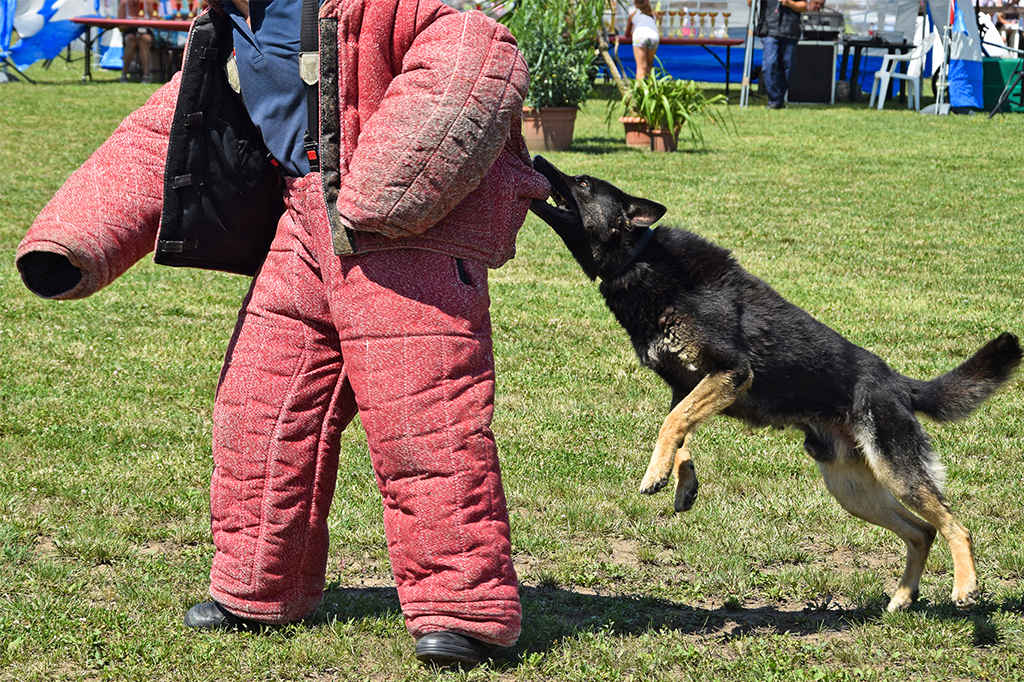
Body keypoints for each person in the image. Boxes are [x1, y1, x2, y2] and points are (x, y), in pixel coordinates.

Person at [16, 0, 549, 668]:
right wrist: (71, 240)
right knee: (261, 407)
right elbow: (172, 127)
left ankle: (463, 610)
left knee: (426, 425)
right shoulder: (226, 23)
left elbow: (475, 46)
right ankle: (257, 586)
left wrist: (385, 191)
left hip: (404, 241)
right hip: (306, 225)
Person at [750, 0, 809, 108]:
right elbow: (750, 3)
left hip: (790, 30)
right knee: (769, 64)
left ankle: (779, 99)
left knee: (788, 67)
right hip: (769, 30)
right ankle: (774, 99)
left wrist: (790, 4)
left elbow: (804, 6)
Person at [117, 0, 156, 83]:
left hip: (146, 31)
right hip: (129, 31)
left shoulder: (148, 2)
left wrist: (144, 21)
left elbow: (155, 21)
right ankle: (124, 75)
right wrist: (132, 22)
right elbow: (120, 27)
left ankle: (146, 76)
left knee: (142, 39)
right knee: (131, 39)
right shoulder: (123, 3)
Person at [626, 0, 660, 80]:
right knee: (649, 65)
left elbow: (627, 34)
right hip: (653, 36)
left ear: (636, 4)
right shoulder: (654, 14)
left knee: (641, 67)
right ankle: (651, 89)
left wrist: (633, 33)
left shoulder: (633, 15)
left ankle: (640, 91)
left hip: (639, 36)